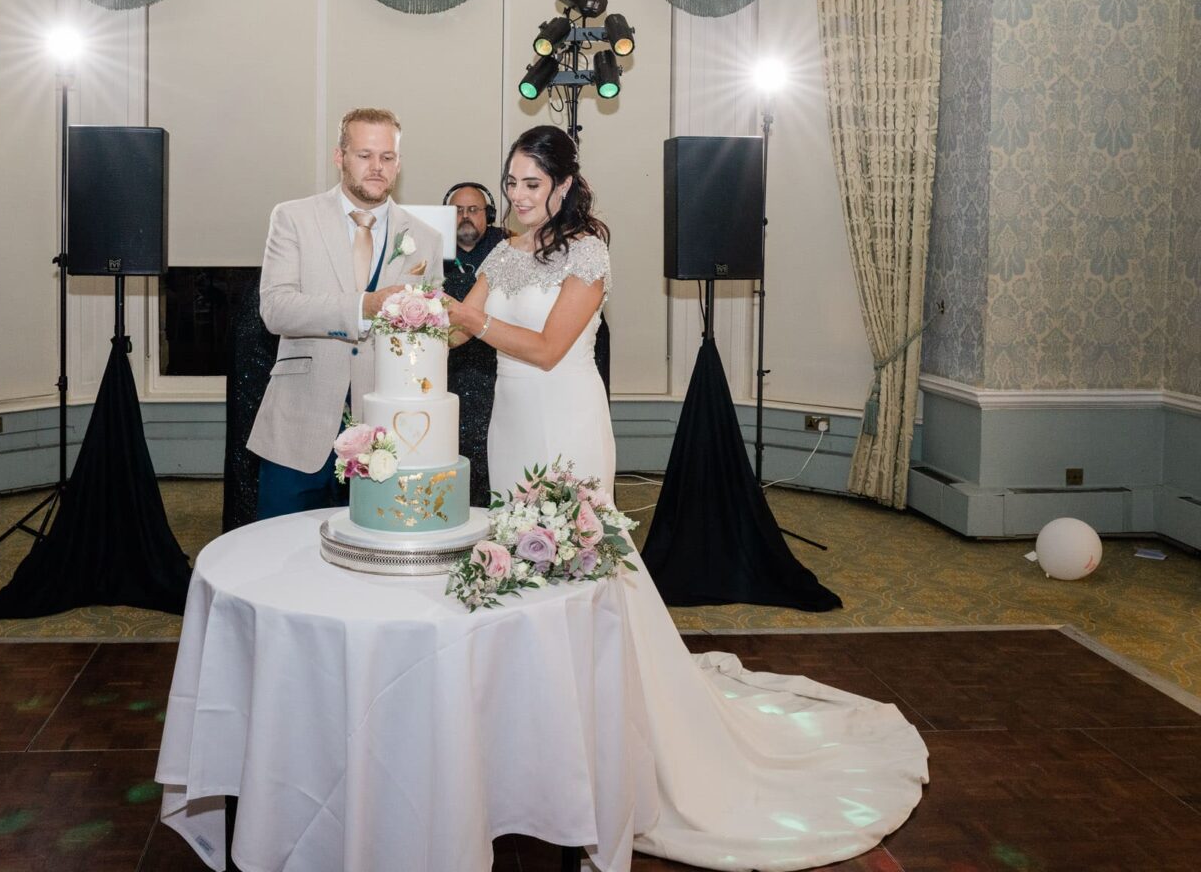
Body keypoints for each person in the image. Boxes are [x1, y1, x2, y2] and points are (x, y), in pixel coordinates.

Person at [445, 126, 927, 871]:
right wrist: (410, 311)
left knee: (583, 565)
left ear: (564, 187)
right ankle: (542, 710)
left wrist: (468, 317)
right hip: (511, 426)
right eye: (510, 183)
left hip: (565, 419)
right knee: (525, 562)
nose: (516, 197)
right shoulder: (503, 255)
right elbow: (457, 331)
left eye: (530, 185)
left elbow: (545, 348)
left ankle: (606, 718)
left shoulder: (590, 251)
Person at [247, 108, 442, 521]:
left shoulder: (425, 238)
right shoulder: (293, 218)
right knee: (280, 556)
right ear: (339, 157)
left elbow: (429, 341)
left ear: (399, 163)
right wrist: (362, 307)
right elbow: (276, 309)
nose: (377, 167)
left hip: (386, 434)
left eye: (387, 157)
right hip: (300, 421)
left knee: (368, 557)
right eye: (364, 155)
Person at [441, 182, 507, 506]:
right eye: (457, 210)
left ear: (489, 215)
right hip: (446, 373)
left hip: (493, 371)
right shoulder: (428, 252)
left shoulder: (506, 249)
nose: (465, 217)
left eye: (474, 210)